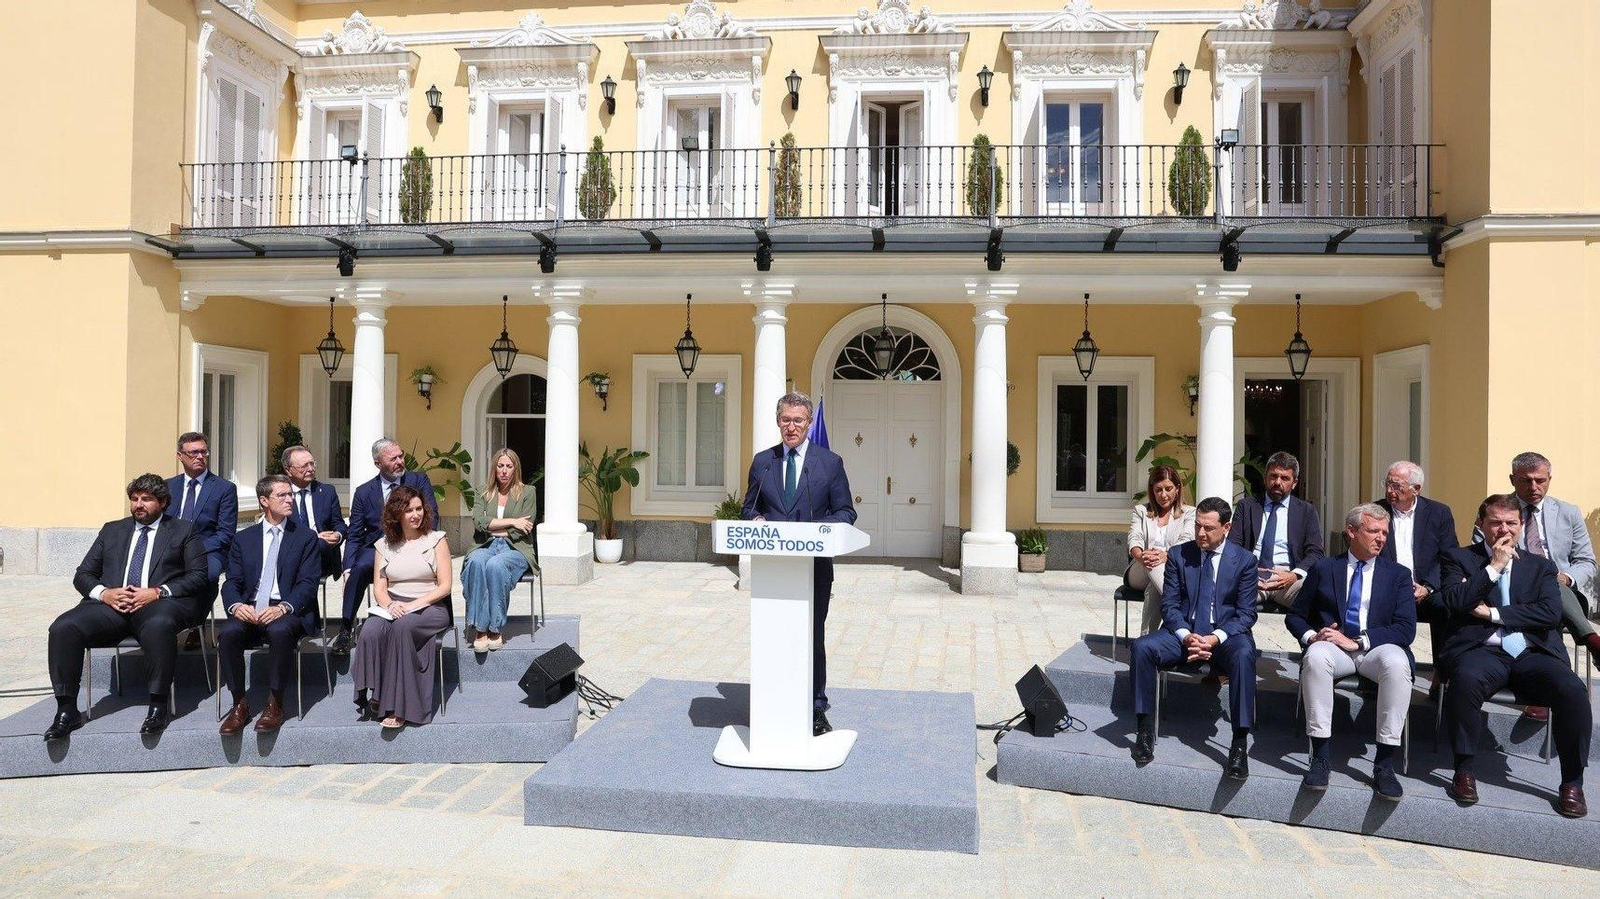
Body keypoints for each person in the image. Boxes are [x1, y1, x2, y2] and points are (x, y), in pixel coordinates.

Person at [1436, 494, 1589, 818]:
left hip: (1532, 651)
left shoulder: (1540, 566)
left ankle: (1572, 782)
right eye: (1495, 522)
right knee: (1465, 680)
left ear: (1522, 526)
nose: (1503, 529)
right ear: (1481, 524)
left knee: (1573, 690)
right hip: (1482, 649)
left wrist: (1492, 613)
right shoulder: (1459, 559)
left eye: (1511, 523)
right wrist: (1492, 569)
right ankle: (1464, 769)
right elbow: (1454, 601)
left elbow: (1548, 614)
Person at [44, 475, 209, 739]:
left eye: (146, 499)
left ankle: (158, 705)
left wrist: (156, 592)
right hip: (112, 607)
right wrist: (105, 593)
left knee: (158, 626)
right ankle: (66, 709)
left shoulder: (183, 531)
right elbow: (83, 574)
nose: (138, 505)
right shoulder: (112, 530)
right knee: (64, 627)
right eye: (134, 499)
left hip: (158, 604)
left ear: (164, 502)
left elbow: (199, 575)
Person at [741, 392, 857, 737]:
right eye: (785, 420)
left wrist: (822, 529)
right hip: (773, 568)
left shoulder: (830, 463)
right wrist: (756, 517)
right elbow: (748, 507)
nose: (791, 427)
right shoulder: (763, 462)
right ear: (778, 422)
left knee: (811, 633)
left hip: (814, 567)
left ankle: (815, 707)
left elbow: (846, 512)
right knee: (774, 633)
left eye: (798, 420)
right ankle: (774, 700)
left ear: (809, 423)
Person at [1287, 503, 1416, 800]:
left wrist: (1359, 641)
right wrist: (1313, 635)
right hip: (1335, 648)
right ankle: (1320, 755)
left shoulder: (1398, 574)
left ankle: (1384, 762)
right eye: (1373, 531)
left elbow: (1406, 629)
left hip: (1376, 648)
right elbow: (1295, 616)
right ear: (1352, 531)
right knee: (1316, 655)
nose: (1381, 538)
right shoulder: (1324, 568)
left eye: (1385, 532)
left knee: (1398, 664)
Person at [1129, 496, 1259, 779]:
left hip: (1224, 637)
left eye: (1208, 528)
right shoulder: (1179, 555)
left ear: (1226, 528)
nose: (1200, 533)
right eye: (1198, 525)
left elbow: (1247, 614)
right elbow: (1170, 606)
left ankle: (1239, 742)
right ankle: (1144, 730)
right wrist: (1188, 636)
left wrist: (1213, 638)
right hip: (1183, 633)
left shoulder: (1245, 561)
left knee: (1245, 654)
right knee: (1142, 648)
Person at [216, 475, 321, 734]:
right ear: (264, 501)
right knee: (228, 633)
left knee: (279, 630)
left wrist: (283, 607)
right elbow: (232, 581)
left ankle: (275, 702)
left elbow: (308, 584)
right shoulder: (244, 539)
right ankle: (239, 703)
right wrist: (236, 606)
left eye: (290, 495)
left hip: (287, 608)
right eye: (282, 495)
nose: (289, 500)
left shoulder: (305, 537)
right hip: (251, 607)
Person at [352, 486, 453, 728]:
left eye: (419, 509)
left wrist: (412, 606)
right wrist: (389, 604)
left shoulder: (437, 540)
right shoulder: (383, 545)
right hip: (393, 604)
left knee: (402, 627)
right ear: (397, 514)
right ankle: (377, 695)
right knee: (371, 630)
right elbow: (379, 588)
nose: (415, 515)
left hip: (430, 606)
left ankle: (398, 707)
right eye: (409, 510)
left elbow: (445, 586)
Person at [333, 438, 438, 654]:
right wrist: (347, 567)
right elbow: (354, 533)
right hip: (377, 548)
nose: (400, 461)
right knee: (359, 569)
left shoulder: (418, 481)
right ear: (378, 464)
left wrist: (421, 544)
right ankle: (345, 628)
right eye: (393, 459)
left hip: (413, 544)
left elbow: (432, 516)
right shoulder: (364, 492)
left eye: (401, 456)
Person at [1507, 452, 1599, 659]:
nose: (1533, 487)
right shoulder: (1496, 511)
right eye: (1525, 481)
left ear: (1549, 479)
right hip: (1514, 587)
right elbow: (1483, 554)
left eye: (1540, 481)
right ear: (1512, 480)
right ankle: (1592, 640)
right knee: (1545, 577)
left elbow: (1586, 560)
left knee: (1549, 580)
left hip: (1562, 591)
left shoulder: (1569, 512)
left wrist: (1566, 578)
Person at [1375, 461, 1458, 658]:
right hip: (1386, 589)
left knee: (1446, 607)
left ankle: (1442, 674)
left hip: (1425, 590)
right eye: (1387, 484)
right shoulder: (1375, 512)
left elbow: (1449, 556)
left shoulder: (1439, 513)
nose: (1389, 490)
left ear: (1416, 489)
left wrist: (1427, 587)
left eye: (1396, 486)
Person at [462, 448, 537, 652]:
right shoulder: (482, 491)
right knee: (477, 562)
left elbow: (525, 528)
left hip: (515, 549)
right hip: (485, 544)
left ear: (515, 469)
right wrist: (513, 521)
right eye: (500, 465)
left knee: (495, 565)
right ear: (494, 468)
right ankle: (480, 628)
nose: (504, 470)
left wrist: (493, 524)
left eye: (509, 466)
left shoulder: (528, 492)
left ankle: (493, 628)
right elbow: (479, 522)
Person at [1229, 451, 1325, 609]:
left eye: (1285, 478)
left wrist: (1294, 575)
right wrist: (1247, 573)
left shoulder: (1306, 511)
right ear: (1265, 477)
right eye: (1273, 476)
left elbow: (1315, 552)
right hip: (1251, 576)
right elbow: (1234, 545)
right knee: (1223, 600)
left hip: (1289, 578)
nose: (1277, 482)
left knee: (1320, 601)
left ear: (1294, 483)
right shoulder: (1247, 506)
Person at [166, 431, 238, 603]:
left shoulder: (224, 488)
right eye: (193, 452)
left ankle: (195, 621)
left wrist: (191, 549)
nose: (199, 456)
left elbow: (225, 534)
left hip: (208, 551)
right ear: (180, 456)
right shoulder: (168, 486)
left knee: (207, 576)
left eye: (203, 452)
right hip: (170, 549)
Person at [1126, 465, 1197, 635]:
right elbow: (1134, 539)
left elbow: (1186, 540)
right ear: (1152, 490)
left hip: (1170, 571)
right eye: (1158, 490)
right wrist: (1142, 555)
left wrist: (1166, 555)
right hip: (1140, 569)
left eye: (1168, 489)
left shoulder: (1189, 513)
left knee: (1154, 587)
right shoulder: (1141, 511)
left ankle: (1146, 642)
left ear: (1178, 488)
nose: (1163, 495)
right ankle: (1181, 608)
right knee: (1153, 563)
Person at [281, 445, 346, 580]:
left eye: (312, 463)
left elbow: (339, 524)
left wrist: (337, 535)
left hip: (322, 558)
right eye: (304, 466)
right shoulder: (280, 494)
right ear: (289, 470)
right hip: (290, 555)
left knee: (321, 544)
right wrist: (314, 538)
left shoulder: (327, 491)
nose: (310, 469)